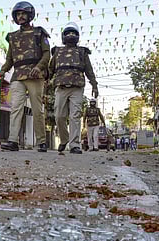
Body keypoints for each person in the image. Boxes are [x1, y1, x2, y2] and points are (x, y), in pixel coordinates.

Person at [0, 1, 50, 152]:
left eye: (23, 14)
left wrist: (38, 67)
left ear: (30, 15)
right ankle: (13, 140)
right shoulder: (12, 37)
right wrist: (2, 71)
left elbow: (47, 54)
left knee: (36, 109)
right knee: (15, 107)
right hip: (17, 75)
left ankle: (41, 141)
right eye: (18, 14)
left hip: (35, 75)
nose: (20, 17)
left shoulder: (39, 33)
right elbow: (9, 60)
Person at [48, 22, 98, 154]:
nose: (71, 35)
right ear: (63, 36)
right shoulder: (57, 51)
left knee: (75, 115)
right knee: (59, 116)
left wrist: (95, 85)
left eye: (73, 33)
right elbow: (50, 70)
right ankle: (64, 139)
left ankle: (75, 144)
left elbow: (89, 70)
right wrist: (44, 86)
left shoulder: (82, 52)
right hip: (61, 87)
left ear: (77, 36)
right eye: (68, 33)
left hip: (77, 88)